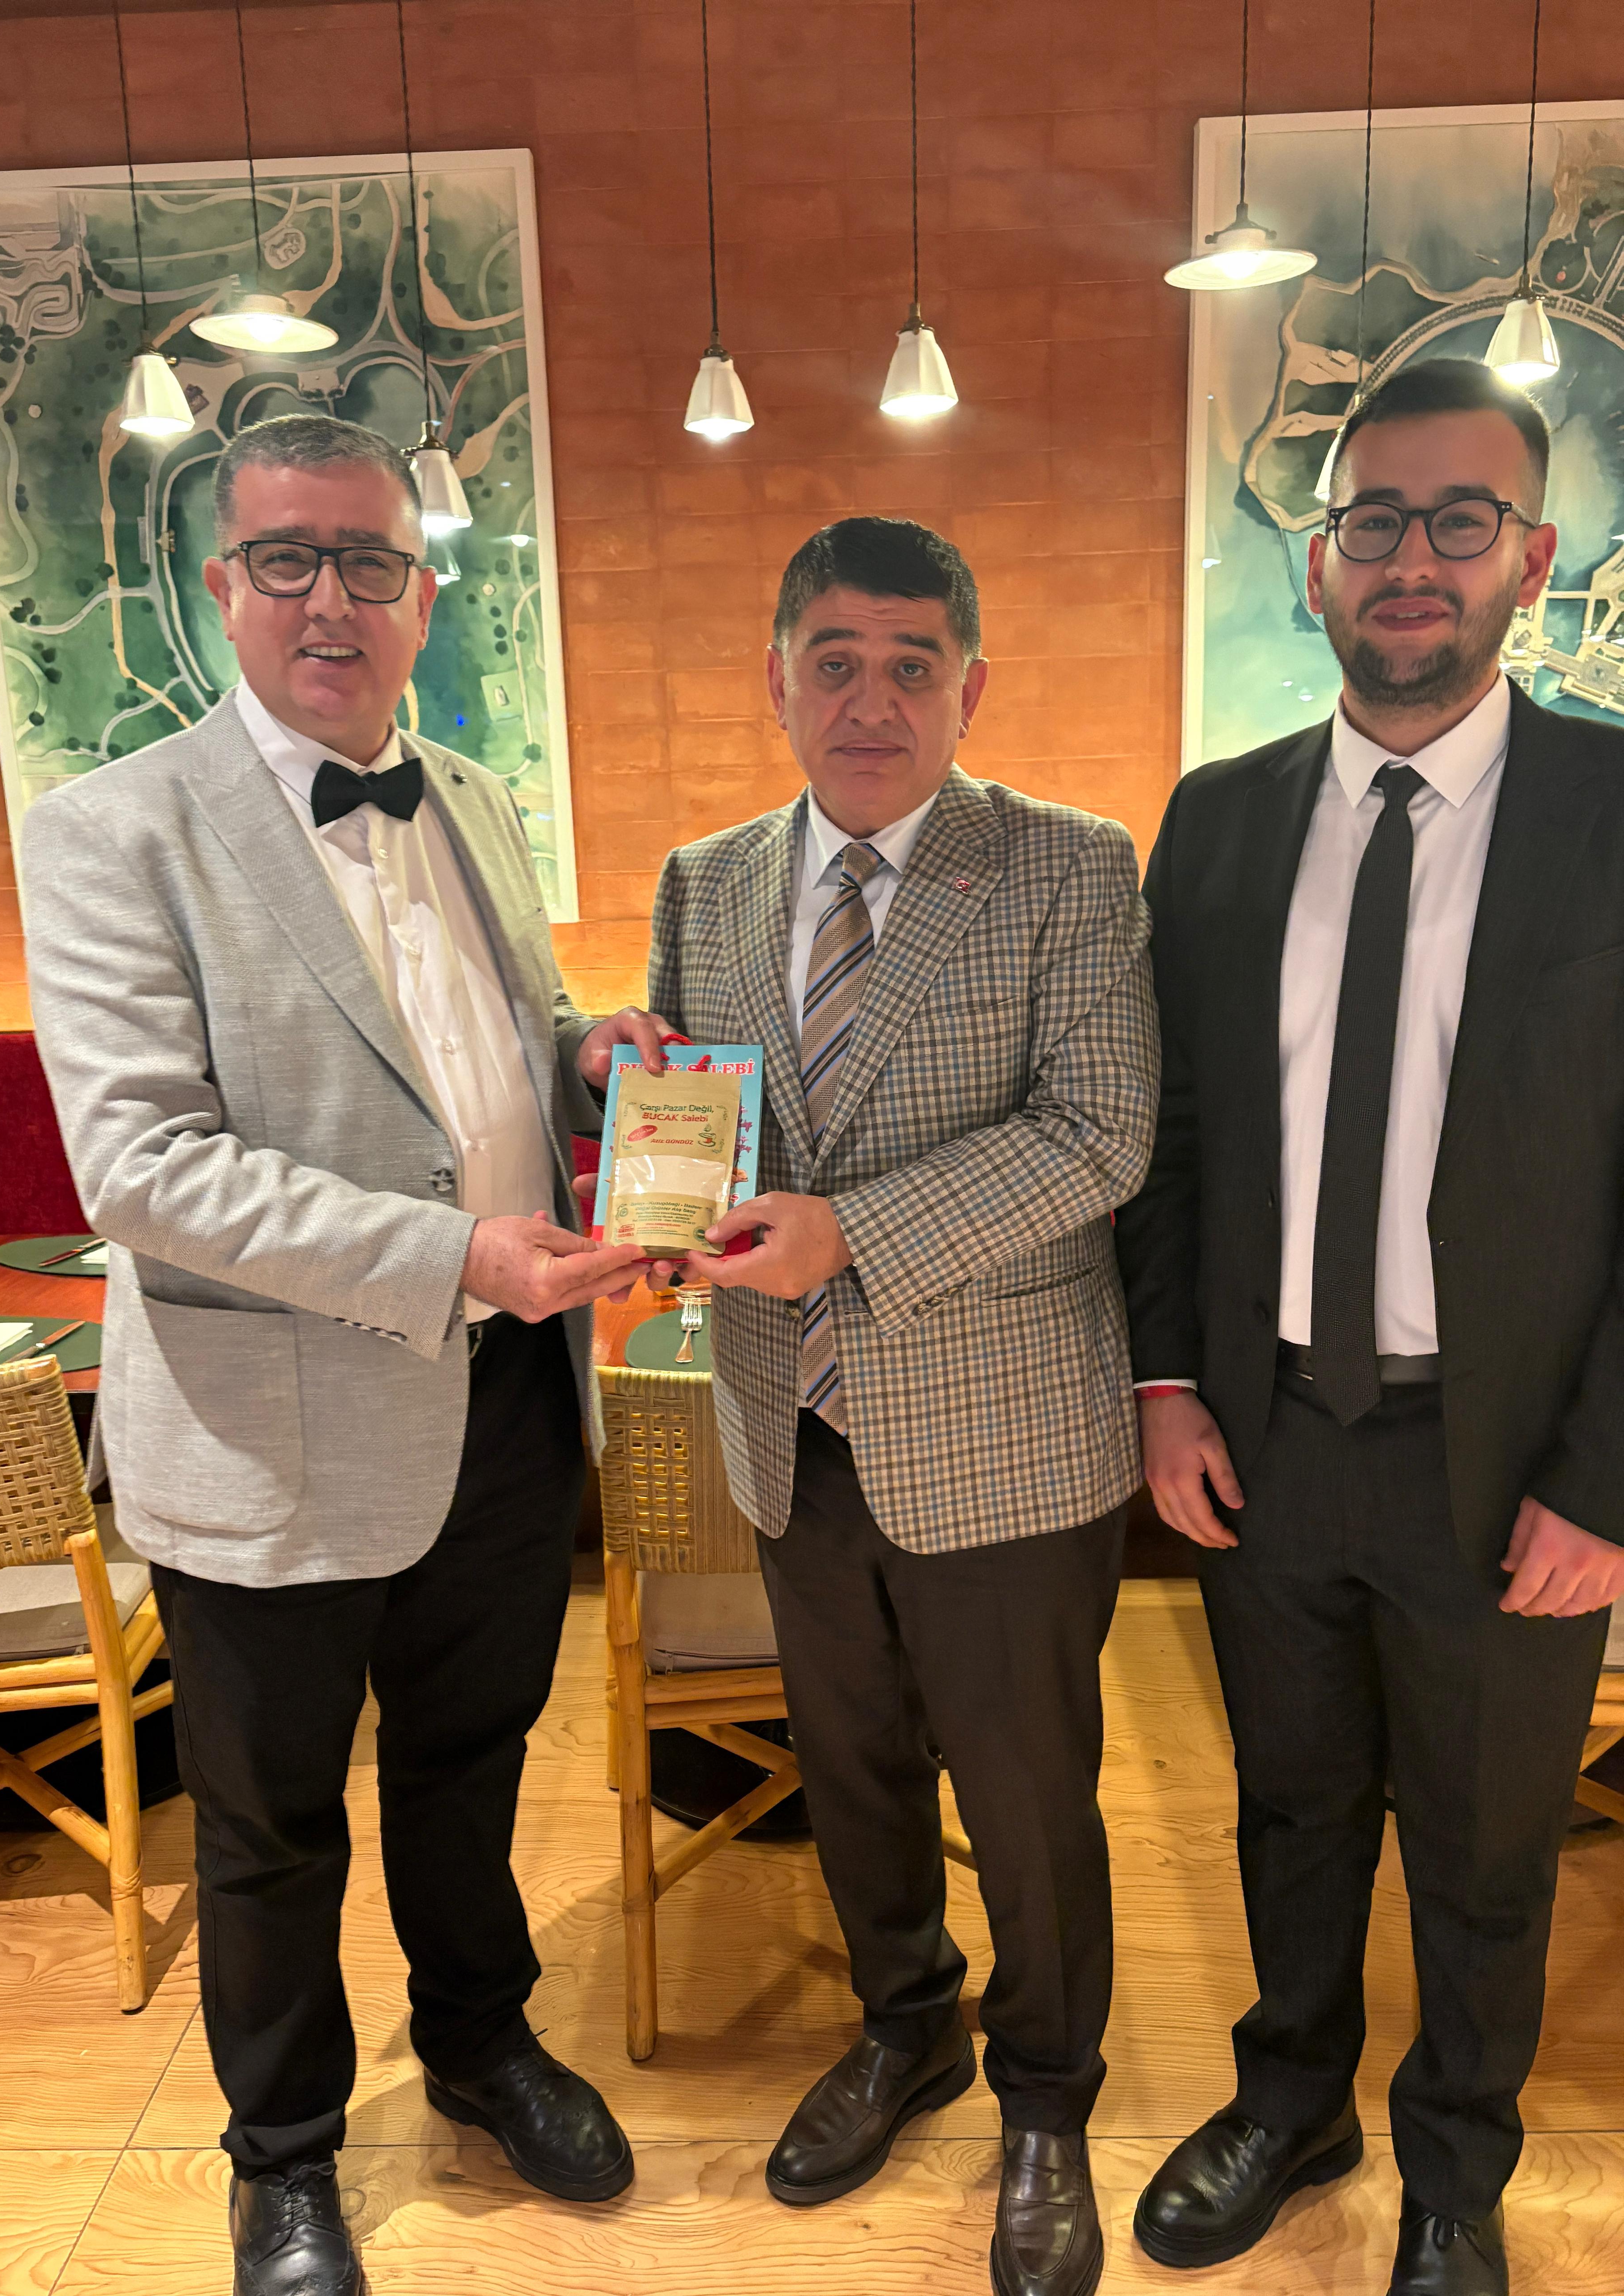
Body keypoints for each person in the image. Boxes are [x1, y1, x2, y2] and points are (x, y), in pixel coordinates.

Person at [22, 414, 665, 2296]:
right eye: (289, 559)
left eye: (369, 560)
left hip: (507, 1400)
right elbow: (144, 1168)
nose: (332, 598)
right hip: (271, 1427)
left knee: (472, 1763)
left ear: (423, 595)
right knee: (272, 1819)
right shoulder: (112, 828)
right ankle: (285, 2151)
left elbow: (485, 1039)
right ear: (223, 589)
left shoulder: (473, 794)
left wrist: (585, 1057)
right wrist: (455, 1252)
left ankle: (480, 2041)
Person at [1114, 359, 1624, 2296]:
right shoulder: (1220, 820)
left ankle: (1458, 2169)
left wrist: (1609, 1479)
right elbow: (1171, 1132)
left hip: (1517, 1462)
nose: (1414, 557)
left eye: (1459, 519)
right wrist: (1169, 1380)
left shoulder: (1615, 807)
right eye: (1375, 520)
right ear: (1319, 560)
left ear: (1533, 558)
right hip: (1273, 1434)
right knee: (1293, 1805)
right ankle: (1294, 2097)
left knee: (1489, 1849)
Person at [645, 515, 1160, 2296]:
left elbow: (1102, 1133)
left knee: (1028, 1792)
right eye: (836, 662)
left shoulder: (1068, 865)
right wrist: (652, 1181)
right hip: (791, 1425)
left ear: (970, 687)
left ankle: (1048, 2091)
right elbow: (692, 1117)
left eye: (911, 666)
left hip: (1007, 1430)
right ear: (778, 679)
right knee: (852, 1768)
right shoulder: (705, 880)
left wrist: (850, 1231)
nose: (871, 700)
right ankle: (905, 2021)